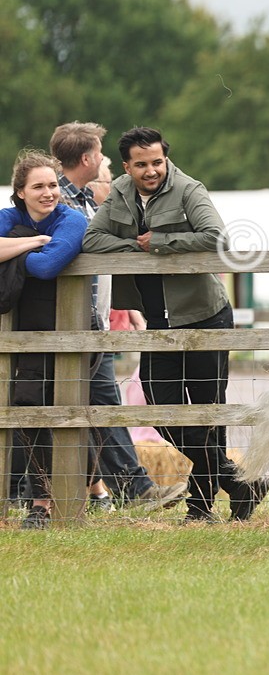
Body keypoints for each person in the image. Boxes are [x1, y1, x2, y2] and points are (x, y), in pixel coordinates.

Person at [83, 127, 269, 523]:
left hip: (205, 317)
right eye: (142, 164)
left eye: (157, 162)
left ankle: (200, 508)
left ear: (165, 159)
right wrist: (137, 246)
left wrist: (163, 242)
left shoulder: (189, 189)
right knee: (162, 408)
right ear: (127, 166)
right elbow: (92, 239)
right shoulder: (118, 192)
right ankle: (239, 482)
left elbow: (216, 235)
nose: (151, 171)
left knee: (206, 413)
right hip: (158, 323)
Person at [49, 121, 187, 512]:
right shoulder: (63, 203)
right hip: (71, 322)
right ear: (89, 158)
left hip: (94, 320)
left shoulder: (90, 200)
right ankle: (133, 490)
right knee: (96, 407)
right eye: (103, 153)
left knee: (96, 409)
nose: (106, 160)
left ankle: (111, 492)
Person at [3, 150, 88, 529]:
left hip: (73, 331)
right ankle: (41, 499)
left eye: (53, 184)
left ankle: (61, 500)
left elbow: (48, 265)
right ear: (20, 191)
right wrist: (33, 240)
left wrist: (16, 249)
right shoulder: (12, 218)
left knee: (76, 413)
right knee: (26, 405)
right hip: (22, 333)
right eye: (38, 186)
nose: (48, 192)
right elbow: (40, 256)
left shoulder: (72, 219)